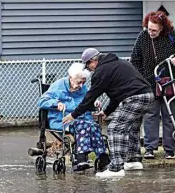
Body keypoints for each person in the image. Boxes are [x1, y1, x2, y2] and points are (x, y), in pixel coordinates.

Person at [62, 48, 154, 177]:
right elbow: (117, 95)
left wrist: (73, 115)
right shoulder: (119, 63)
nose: (89, 70)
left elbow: (90, 97)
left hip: (135, 98)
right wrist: (107, 112)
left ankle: (116, 168)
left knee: (115, 128)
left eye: (88, 66)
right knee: (131, 127)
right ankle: (134, 160)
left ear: (93, 61)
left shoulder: (101, 71)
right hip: (148, 95)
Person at [130, 11, 175, 159]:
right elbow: (135, 60)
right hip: (149, 82)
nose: (151, 32)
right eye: (149, 28)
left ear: (162, 28)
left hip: (170, 81)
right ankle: (150, 148)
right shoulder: (143, 37)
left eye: (154, 30)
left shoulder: (172, 35)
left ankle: (170, 149)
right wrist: (143, 78)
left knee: (169, 115)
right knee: (150, 115)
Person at [37, 62, 110, 172]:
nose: (81, 85)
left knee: (94, 126)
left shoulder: (82, 88)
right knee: (82, 125)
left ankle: (103, 158)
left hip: (82, 120)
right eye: (79, 82)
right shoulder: (58, 86)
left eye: (83, 82)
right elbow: (41, 101)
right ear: (71, 78)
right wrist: (56, 103)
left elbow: (87, 101)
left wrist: (94, 102)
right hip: (62, 120)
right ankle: (80, 158)